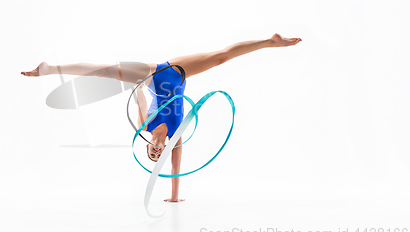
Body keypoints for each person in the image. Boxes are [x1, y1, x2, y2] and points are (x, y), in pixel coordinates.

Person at [21, 33, 302, 202]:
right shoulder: (176, 136)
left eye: (152, 153)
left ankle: (50, 68)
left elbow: (139, 96)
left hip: (155, 72)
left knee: (106, 72)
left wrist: (136, 86)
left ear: (146, 147)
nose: (157, 151)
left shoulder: (145, 125)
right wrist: (175, 195)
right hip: (178, 74)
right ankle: (271, 43)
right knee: (220, 58)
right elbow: (176, 170)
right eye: (159, 154)